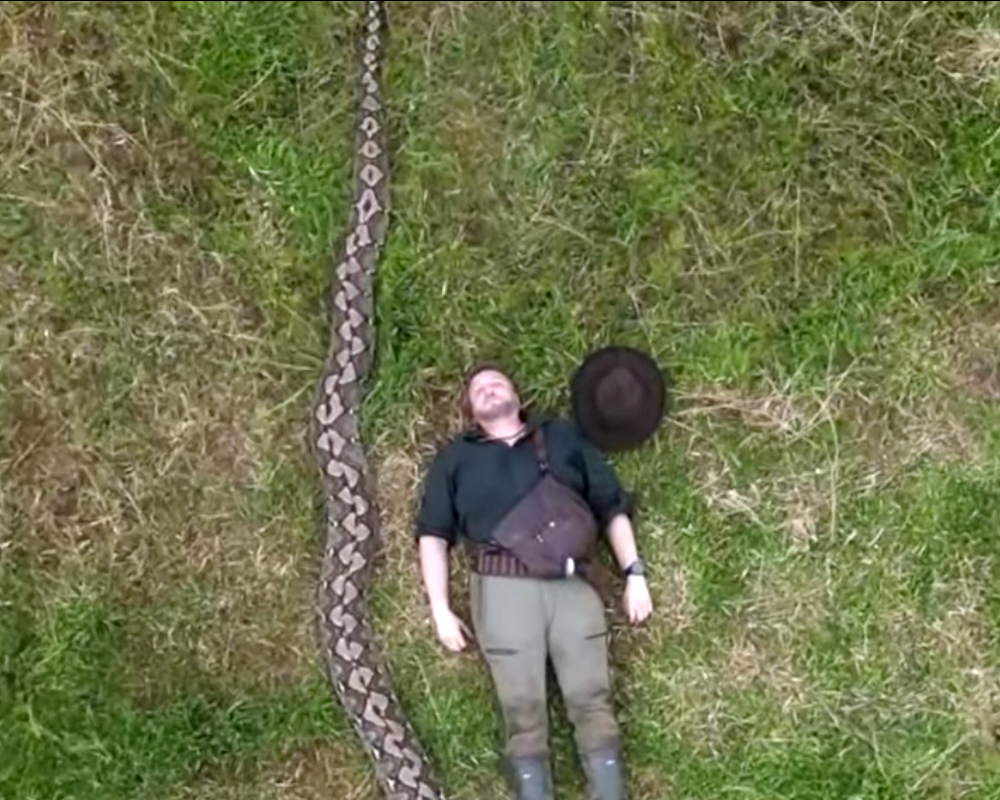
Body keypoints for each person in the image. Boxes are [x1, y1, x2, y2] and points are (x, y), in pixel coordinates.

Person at [413, 363, 653, 800]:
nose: (488, 387)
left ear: (518, 397)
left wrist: (634, 573)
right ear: (470, 411)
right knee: (522, 714)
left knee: (593, 701)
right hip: (503, 590)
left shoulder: (563, 438)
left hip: (573, 585)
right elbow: (433, 535)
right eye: (478, 388)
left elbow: (611, 507)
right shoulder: (455, 459)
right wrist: (440, 608)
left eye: (497, 381)